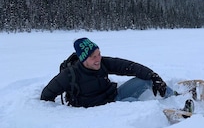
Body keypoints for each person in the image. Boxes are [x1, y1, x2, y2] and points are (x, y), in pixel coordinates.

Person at [41, 37, 175, 108]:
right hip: (104, 108)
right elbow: (46, 96)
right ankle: (161, 116)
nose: (98, 59)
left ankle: (175, 97)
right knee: (133, 104)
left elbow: (128, 66)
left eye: (99, 54)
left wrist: (154, 76)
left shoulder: (102, 62)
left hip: (115, 95)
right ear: (83, 60)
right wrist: (61, 114)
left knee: (146, 79)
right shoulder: (70, 75)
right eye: (93, 57)